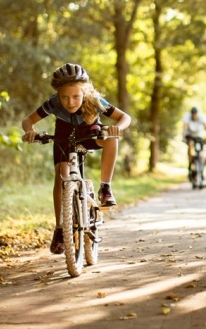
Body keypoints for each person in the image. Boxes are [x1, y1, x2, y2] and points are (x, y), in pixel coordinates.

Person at [21, 63, 131, 254]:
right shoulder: (53, 103)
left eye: (75, 97)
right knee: (61, 178)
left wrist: (118, 128)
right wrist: (30, 131)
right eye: (65, 97)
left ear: (84, 92)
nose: (70, 102)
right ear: (58, 95)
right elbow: (27, 120)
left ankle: (105, 187)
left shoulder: (94, 100)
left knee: (111, 138)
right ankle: (60, 228)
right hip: (63, 139)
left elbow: (124, 117)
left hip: (89, 136)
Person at [182, 106, 206, 180]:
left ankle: (200, 165)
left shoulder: (202, 117)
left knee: (202, 151)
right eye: (193, 114)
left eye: (196, 114)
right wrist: (183, 137)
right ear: (191, 114)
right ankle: (191, 159)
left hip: (199, 136)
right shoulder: (187, 117)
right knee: (191, 144)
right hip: (190, 135)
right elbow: (185, 127)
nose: (194, 116)